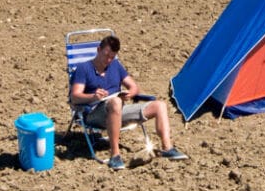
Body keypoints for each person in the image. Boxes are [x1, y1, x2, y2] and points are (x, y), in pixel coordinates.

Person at [70, 34, 187, 170]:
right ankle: (115, 155)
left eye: (112, 57)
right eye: (106, 55)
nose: (108, 60)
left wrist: (131, 93)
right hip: (93, 113)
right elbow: (75, 97)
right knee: (115, 102)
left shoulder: (115, 65)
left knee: (159, 105)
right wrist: (93, 97)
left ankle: (167, 148)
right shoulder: (84, 68)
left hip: (117, 110)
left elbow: (134, 86)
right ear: (98, 50)